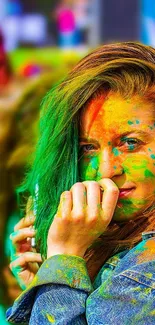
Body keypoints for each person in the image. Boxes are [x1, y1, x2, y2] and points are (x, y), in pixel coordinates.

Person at [6, 42, 155, 324]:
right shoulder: (119, 241)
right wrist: (46, 286)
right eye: (88, 147)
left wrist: (63, 257)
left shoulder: (144, 270)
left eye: (130, 143)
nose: (106, 170)